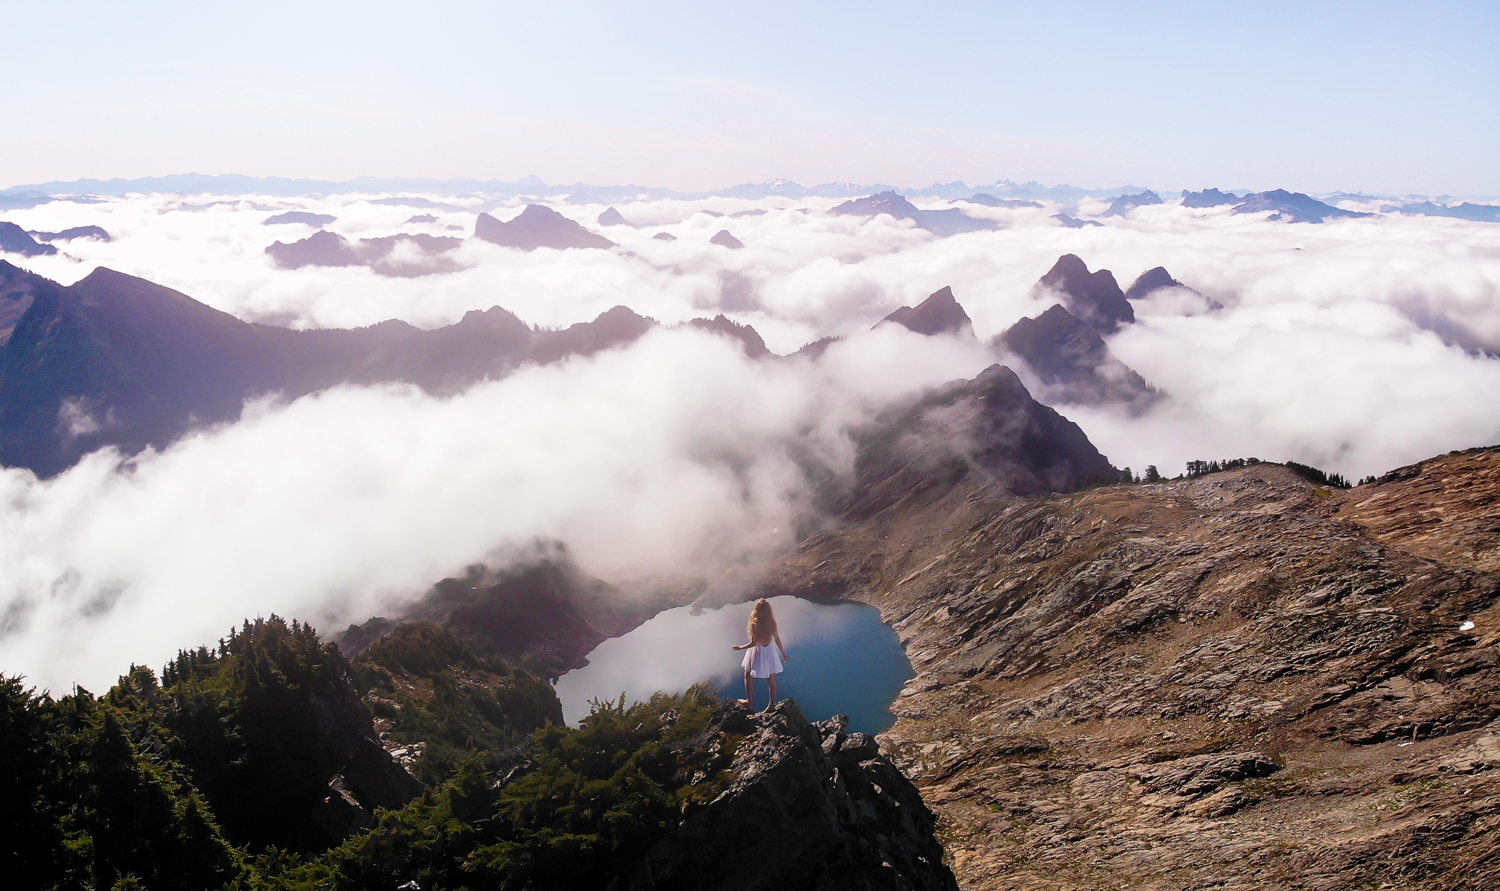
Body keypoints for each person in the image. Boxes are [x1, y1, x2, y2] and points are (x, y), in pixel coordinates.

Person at [731, 598, 790, 711]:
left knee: (748, 675)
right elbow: (777, 639)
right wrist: (783, 653)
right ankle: (772, 705)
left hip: (758, 652)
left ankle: (749, 701)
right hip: (769, 652)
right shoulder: (772, 622)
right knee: (771, 680)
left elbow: (754, 643)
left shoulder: (756, 623)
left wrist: (740, 648)